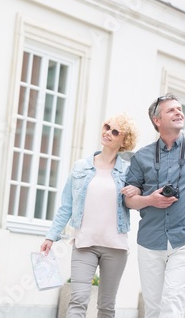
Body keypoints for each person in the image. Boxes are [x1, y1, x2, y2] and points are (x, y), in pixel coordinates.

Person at [123, 92, 185, 317]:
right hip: (150, 241)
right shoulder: (141, 157)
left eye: (179, 108)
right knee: (154, 307)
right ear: (157, 120)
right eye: (171, 110)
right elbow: (128, 199)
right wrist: (150, 200)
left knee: (172, 300)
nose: (179, 112)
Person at [40, 113, 140, 318]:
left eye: (114, 131)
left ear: (124, 140)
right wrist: (51, 236)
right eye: (106, 127)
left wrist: (136, 191)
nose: (107, 133)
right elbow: (66, 205)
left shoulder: (129, 171)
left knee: (106, 307)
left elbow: (136, 201)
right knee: (78, 301)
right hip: (84, 244)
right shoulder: (81, 167)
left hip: (115, 247)